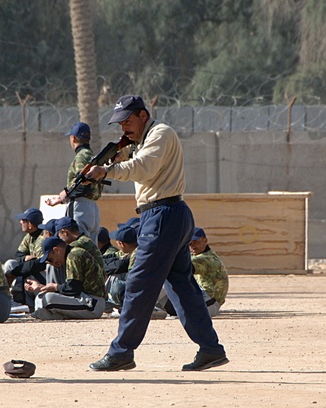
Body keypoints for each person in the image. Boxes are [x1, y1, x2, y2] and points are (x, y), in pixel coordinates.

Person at [82, 95, 228, 371]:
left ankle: (122, 352)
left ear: (143, 116)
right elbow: (139, 160)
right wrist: (120, 154)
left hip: (163, 215)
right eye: (120, 123)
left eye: (128, 120)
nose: (124, 127)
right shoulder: (144, 140)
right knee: (181, 287)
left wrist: (107, 170)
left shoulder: (160, 133)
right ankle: (210, 348)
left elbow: (144, 168)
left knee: (138, 285)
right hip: (166, 215)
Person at [44, 122, 102, 241]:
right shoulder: (93, 156)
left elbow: (83, 182)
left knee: (78, 244)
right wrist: (60, 199)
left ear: (73, 138)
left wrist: (64, 195)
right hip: (93, 207)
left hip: (80, 206)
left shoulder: (81, 156)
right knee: (91, 248)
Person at [26, 236, 105, 320]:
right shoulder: (69, 255)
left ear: (56, 250)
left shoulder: (73, 255)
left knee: (48, 299)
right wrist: (41, 287)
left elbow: (73, 288)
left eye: (50, 259)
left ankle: (52, 315)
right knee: (42, 296)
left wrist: (55, 287)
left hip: (93, 303)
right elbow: (70, 288)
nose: (52, 263)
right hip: (84, 300)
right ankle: (56, 315)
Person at [160, 227, 229, 318]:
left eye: (195, 242)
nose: (192, 246)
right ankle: (155, 308)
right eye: (189, 243)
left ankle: (151, 308)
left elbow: (180, 267)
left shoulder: (207, 259)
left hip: (209, 303)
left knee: (165, 279)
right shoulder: (199, 255)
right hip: (202, 300)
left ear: (205, 240)